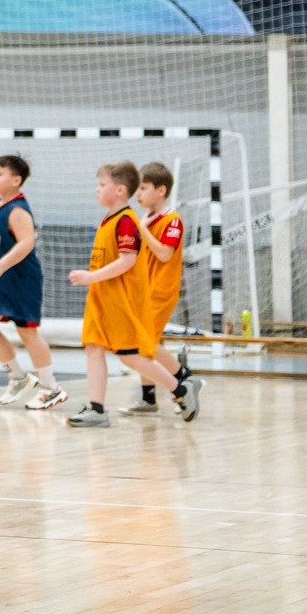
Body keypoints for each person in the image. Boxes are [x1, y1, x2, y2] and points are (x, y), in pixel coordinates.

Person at [65, 162, 194, 428]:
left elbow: (127, 261)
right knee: (93, 348)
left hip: (122, 300)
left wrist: (90, 277)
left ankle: (180, 388)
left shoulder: (126, 222)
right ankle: (97, 409)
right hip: (101, 297)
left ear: (120, 190)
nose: (97, 189)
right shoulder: (110, 219)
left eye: (102, 185)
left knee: (131, 355)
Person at [0, 155, 62, 411]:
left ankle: (51, 388)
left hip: (20, 278)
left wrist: (0, 266)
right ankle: (18, 376)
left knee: (27, 332)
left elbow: (27, 243)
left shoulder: (18, 210)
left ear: (16, 180)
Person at [126, 164, 196, 414]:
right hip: (143, 290)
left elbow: (165, 254)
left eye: (143, 188)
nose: (138, 194)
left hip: (161, 291)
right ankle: (148, 398)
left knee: (142, 343)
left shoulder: (172, 221)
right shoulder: (147, 219)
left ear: (161, 190)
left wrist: (142, 230)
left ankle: (186, 379)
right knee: (146, 344)